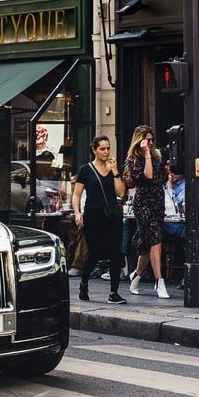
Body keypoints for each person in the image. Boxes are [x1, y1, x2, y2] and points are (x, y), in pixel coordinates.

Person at [71, 134, 126, 304]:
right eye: (102, 149)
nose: (106, 152)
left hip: (112, 216)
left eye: (108, 148)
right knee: (94, 253)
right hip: (93, 216)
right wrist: (77, 213)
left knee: (116, 254)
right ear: (94, 150)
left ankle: (113, 293)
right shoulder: (85, 170)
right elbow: (77, 194)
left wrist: (116, 171)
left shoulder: (113, 169)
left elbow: (121, 193)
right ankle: (84, 282)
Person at [124, 126, 170, 299]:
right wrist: (147, 154)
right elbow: (148, 176)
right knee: (156, 241)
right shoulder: (133, 159)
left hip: (158, 203)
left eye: (152, 140)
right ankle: (160, 282)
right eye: (147, 140)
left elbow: (160, 178)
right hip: (143, 204)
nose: (150, 143)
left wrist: (165, 172)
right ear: (139, 140)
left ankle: (136, 275)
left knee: (147, 243)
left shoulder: (157, 156)